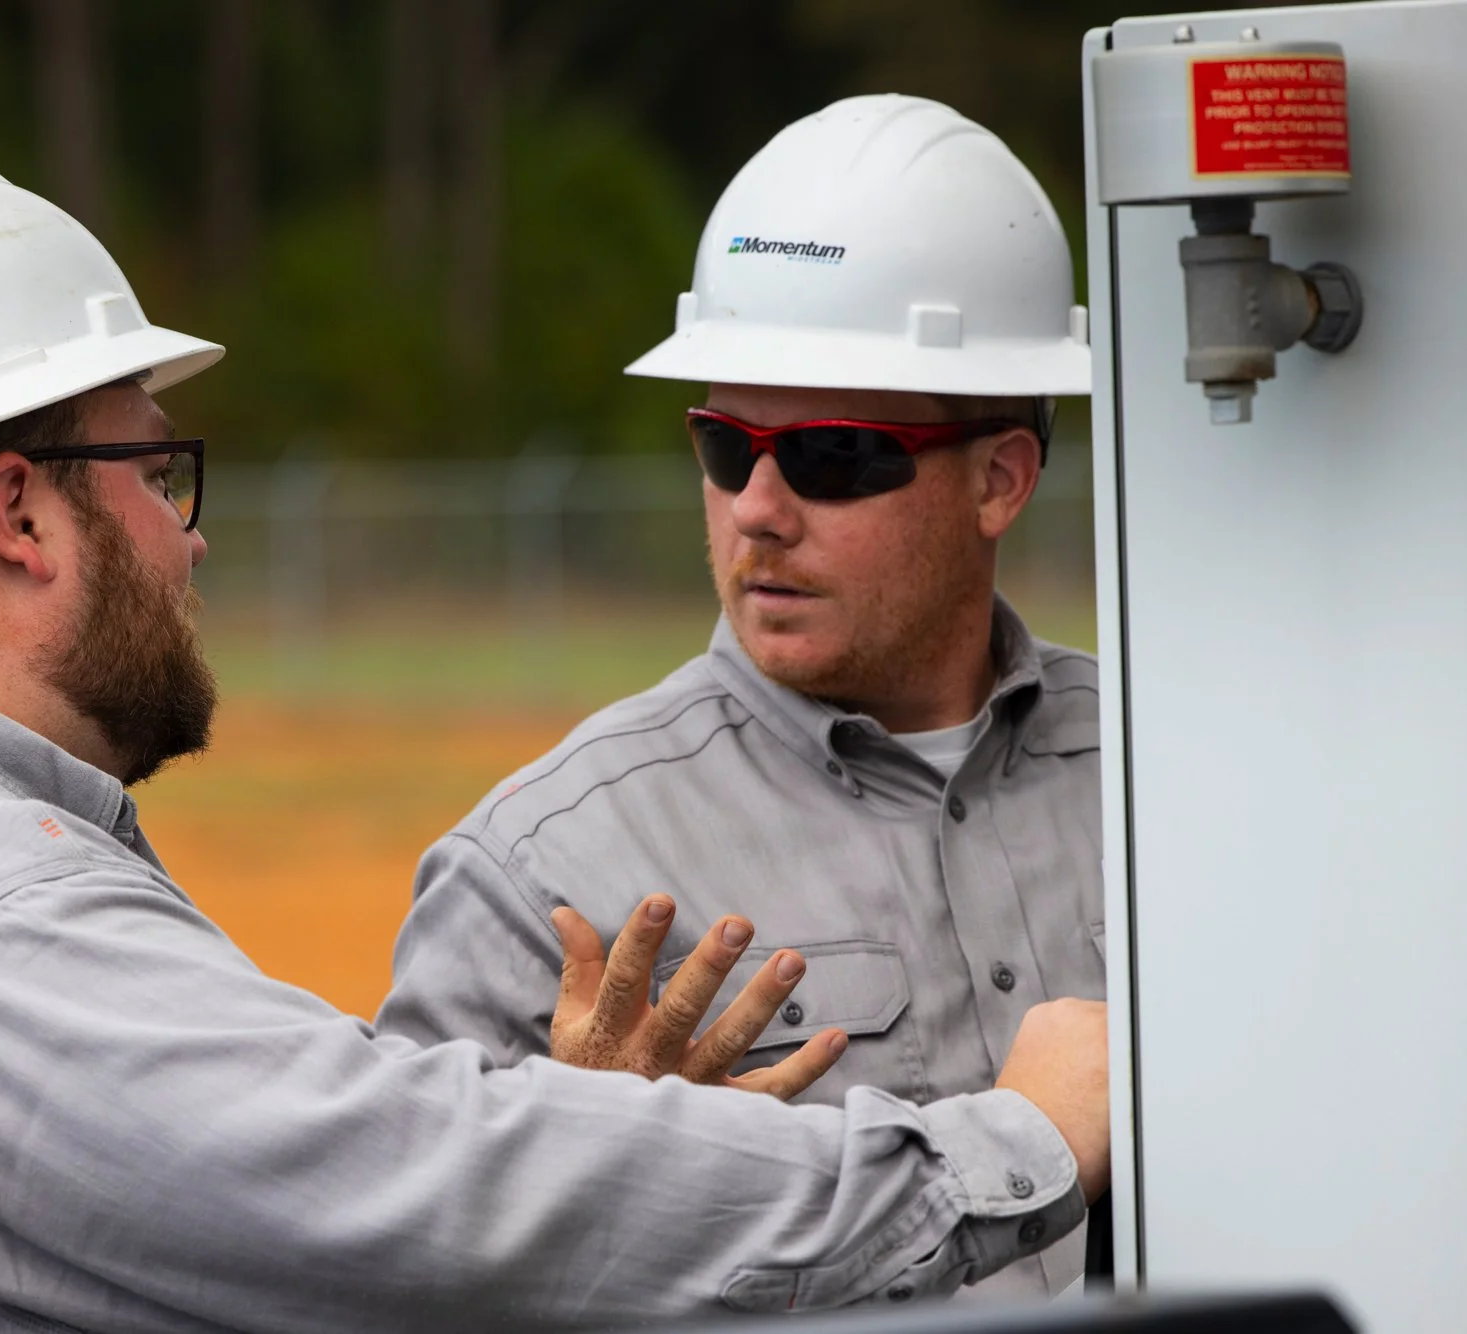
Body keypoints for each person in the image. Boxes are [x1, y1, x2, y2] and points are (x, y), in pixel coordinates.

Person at [0, 155, 1107, 1332]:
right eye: (155, 472)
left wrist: (583, 1130)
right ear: (22, 511)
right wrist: (1012, 1146)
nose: (186, 546)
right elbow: (423, 1192)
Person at [376, 95, 1106, 1300]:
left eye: (828, 454)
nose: (757, 507)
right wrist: (579, 1174)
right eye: (725, 446)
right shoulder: (544, 868)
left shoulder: (1183, 772)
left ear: (999, 478)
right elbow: (391, 1281)